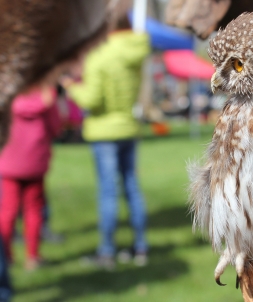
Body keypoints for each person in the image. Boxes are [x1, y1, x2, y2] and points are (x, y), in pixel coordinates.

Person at [64, 16, 150, 269]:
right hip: (128, 128)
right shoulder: (136, 51)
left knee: (108, 191)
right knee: (132, 187)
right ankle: (141, 246)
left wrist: (71, 86)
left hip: (104, 132)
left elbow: (91, 100)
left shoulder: (100, 56)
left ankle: (106, 251)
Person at [0, 85, 61, 270]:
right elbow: (56, 127)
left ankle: (6, 256)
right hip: (35, 159)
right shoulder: (45, 94)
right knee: (33, 209)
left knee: (6, 211)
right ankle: (32, 257)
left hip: (9, 158)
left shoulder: (7, 91)